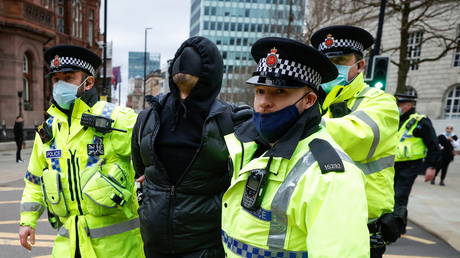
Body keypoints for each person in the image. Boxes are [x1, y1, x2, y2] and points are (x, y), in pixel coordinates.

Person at [221, 37, 370, 257]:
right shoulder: (252, 148)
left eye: (279, 92)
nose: (263, 102)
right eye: (260, 91)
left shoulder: (329, 177)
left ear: (309, 100)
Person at [19, 45, 144, 258]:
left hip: (118, 248)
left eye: (69, 77)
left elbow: (155, 164)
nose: (60, 85)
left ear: (89, 82)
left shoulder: (119, 120)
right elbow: (35, 180)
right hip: (68, 247)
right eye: (56, 79)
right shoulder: (48, 130)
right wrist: (27, 221)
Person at [131, 36, 251, 258]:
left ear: (209, 81)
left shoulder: (232, 123)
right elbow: (142, 170)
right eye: (180, 88)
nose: (185, 97)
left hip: (207, 247)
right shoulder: (148, 119)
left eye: (192, 87)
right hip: (154, 245)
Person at [310, 25, 400, 257]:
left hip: (362, 226)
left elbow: (359, 136)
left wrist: (297, 123)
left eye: (339, 59)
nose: (331, 67)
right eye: (325, 61)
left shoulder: (381, 102)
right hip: (317, 219)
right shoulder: (314, 103)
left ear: (359, 65)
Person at [394, 93, 440, 233]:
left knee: (400, 196)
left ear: (408, 105)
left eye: (399, 105)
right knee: (390, 196)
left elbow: (433, 145)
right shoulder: (397, 120)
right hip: (394, 164)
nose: (398, 107)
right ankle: (391, 225)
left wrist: (432, 167)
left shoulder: (421, 121)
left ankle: (397, 228)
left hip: (410, 165)